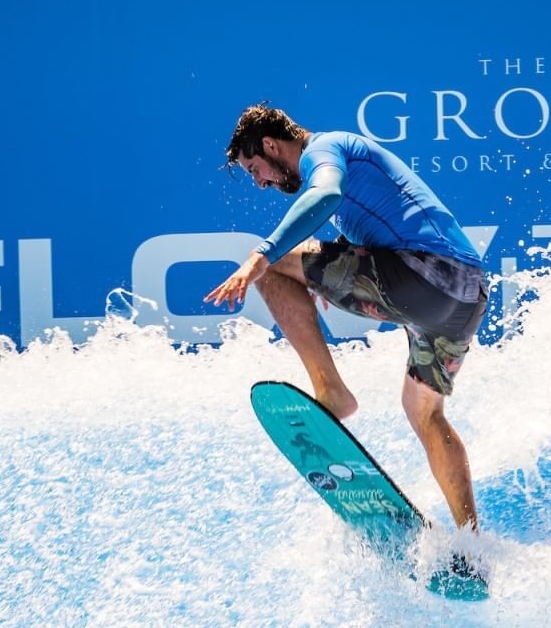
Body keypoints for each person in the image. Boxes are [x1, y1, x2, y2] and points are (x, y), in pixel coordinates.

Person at [205, 103, 489, 531]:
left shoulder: (325, 148)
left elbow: (327, 193)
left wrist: (262, 255)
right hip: (466, 296)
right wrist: (323, 279)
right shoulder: (349, 160)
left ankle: (331, 391)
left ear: (270, 144)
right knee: (424, 412)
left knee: (269, 266)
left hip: (424, 275)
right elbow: (370, 222)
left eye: (254, 169)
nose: (260, 182)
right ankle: (471, 541)